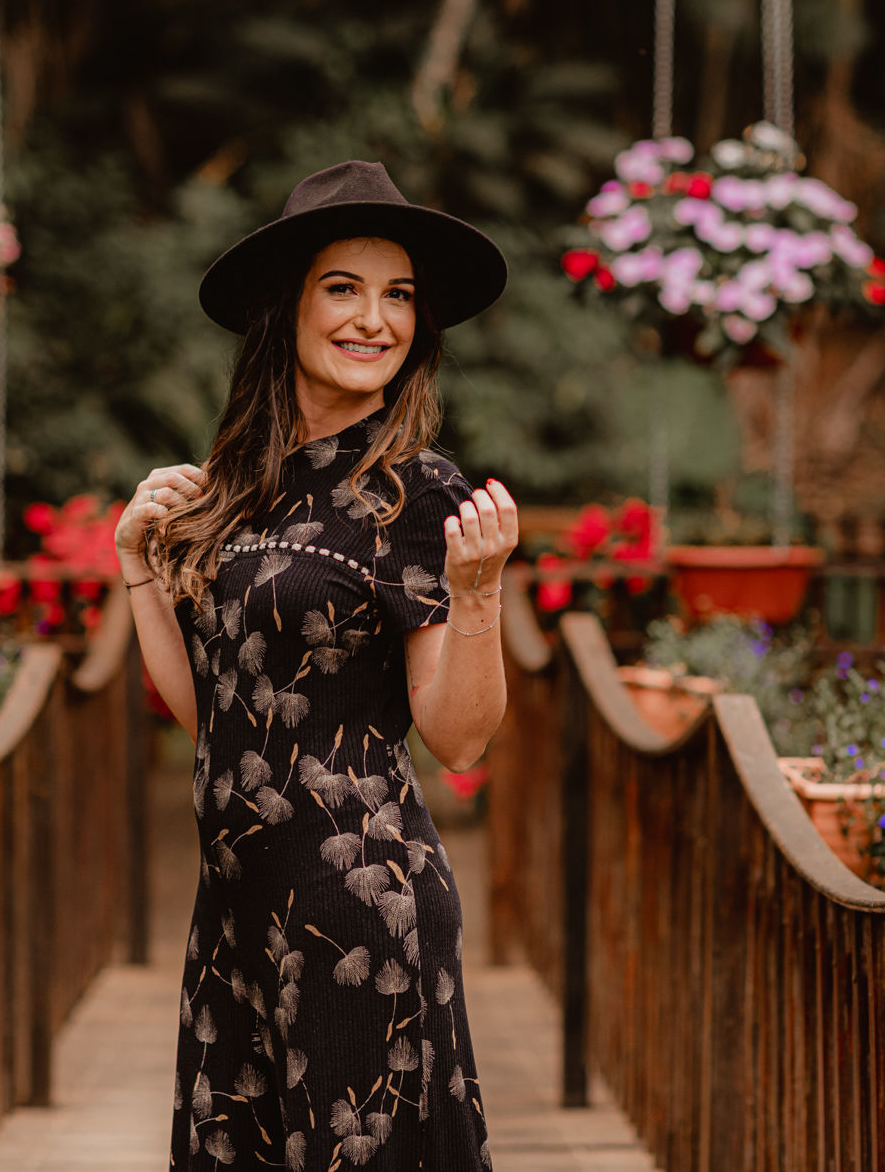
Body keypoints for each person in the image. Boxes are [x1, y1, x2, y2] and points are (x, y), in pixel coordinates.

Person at [114, 160, 517, 1170]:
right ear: (285, 308)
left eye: (399, 296)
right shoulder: (238, 492)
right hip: (236, 913)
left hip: (357, 916)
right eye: (344, 287)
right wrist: (133, 567)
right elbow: (206, 710)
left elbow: (462, 738)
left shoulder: (418, 495)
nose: (375, 318)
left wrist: (477, 596)